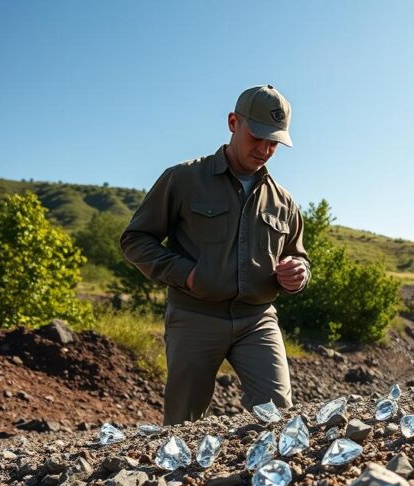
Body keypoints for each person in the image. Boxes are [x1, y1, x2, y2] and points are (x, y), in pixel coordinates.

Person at [120, 85, 310, 425]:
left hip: (257, 320)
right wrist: (186, 274)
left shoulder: (284, 202)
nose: (265, 149)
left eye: (274, 143)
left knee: (277, 414)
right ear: (233, 123)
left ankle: (259, 462)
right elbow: (135, 239)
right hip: (195, 316)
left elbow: (299, 256)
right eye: (258, 137)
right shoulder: (183, 179)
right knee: (184, 423)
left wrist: (299, 274)